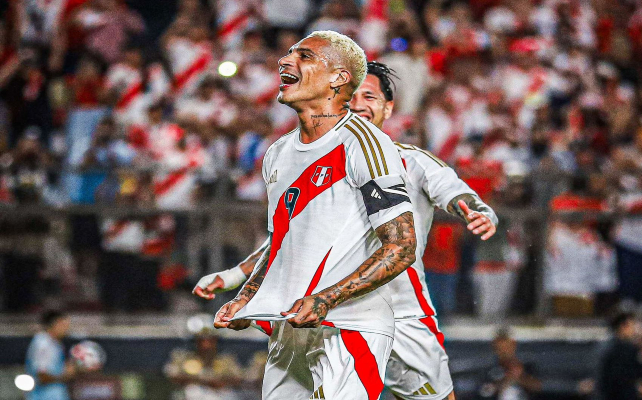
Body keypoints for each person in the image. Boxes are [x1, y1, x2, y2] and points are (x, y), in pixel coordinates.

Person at [195, 61, 498, 400]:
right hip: (324, 309)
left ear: (388, 108)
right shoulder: (312, 163)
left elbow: (458, 194)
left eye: (369, 96)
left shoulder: (414, 161)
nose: (358, 104)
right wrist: (237, 276)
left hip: (401, 309)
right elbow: (286, 239)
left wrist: (477, 210)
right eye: (351, 96)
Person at [212, 31, 418, 400]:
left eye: (304, 56)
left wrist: (326, 299)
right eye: (288, 53)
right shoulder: (277, 153)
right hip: (290, 326)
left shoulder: (364, 143)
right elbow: (280, 245)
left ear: (339, 78)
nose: (284, 61)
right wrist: (248, 298)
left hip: (350, 326)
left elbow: (401, 247)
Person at [164, 328, 243, 400]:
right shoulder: (183, 358)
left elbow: (238, 378)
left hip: (220, 394)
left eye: (210, 341)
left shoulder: (227, 360)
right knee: (192, 391)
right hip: (192, 394)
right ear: (196, 342)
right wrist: (203, 381)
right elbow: (172, 375)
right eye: (202, 341)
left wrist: (221, 382)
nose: (206, 345)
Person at [25, 310, 75, 400]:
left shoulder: (56, 344)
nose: (67, 329)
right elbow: (41, 376)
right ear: (55, 324)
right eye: (64, 325)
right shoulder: (43, 344)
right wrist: (65, 376)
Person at [597, 312, 639, 400]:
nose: (634, 330)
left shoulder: (606, 346)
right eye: (632, 326)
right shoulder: (624, 349)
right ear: (623, 327)